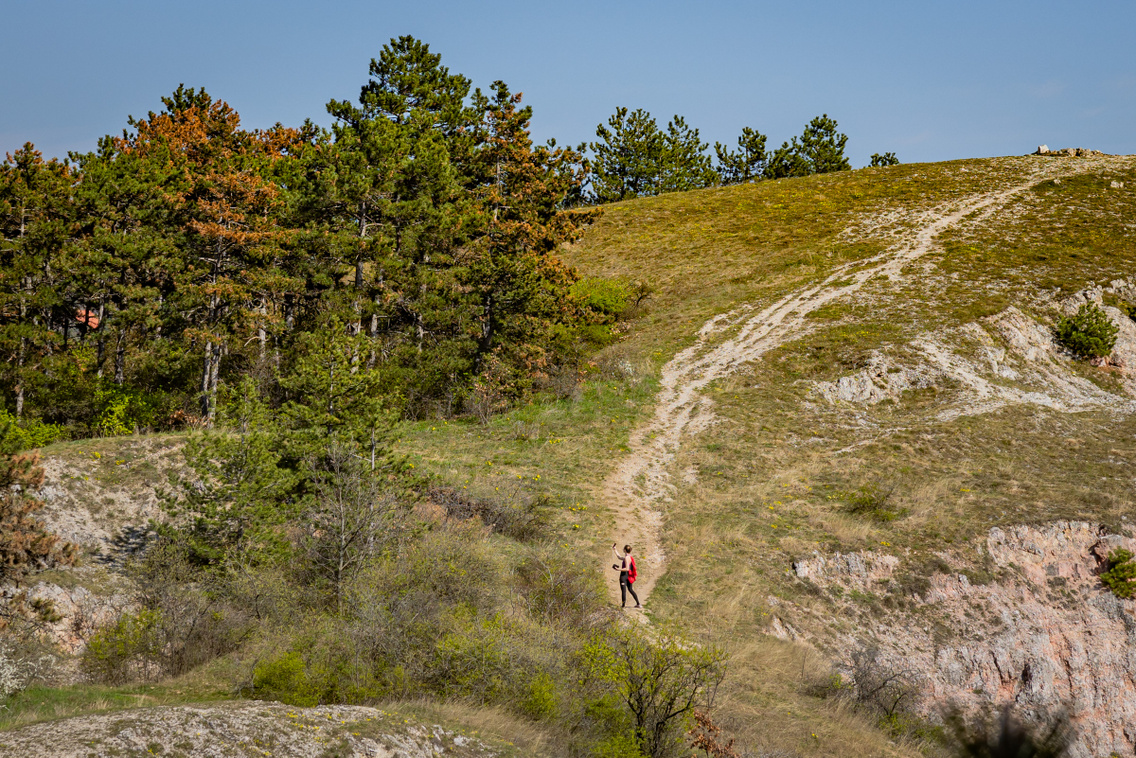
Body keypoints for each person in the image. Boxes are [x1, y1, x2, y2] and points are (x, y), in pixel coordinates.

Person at [611, 543, 640, 608]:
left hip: (624, 575)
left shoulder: (627, 558)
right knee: (630, 589)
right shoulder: (629, 557)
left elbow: (627, 568)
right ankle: (638, 603)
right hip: (628, 576)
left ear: (625, 550)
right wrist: (615, 550)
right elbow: (619, 557)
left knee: (623, 590)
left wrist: (618, 569)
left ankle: (623, 606)